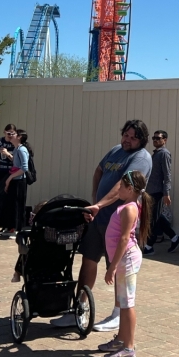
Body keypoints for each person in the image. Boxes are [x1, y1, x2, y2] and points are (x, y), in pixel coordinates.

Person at [53, 120, 152, 333]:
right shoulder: (115, 151)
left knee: (117, 270)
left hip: (117, 222)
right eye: (126, 134)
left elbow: (122, 186)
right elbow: (99, 170)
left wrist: (99, 203)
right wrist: (95, 196)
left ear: (141, 141)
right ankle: (79, 309)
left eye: (133, 137)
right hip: (98, 220)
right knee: (88, 259)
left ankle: (118, 314)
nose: (127, 140)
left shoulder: (141, 158)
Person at [95, 170, 153, 357]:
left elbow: (124, 239)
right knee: (122, 303)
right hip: (122, 260)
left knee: (127, 304)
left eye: (121, 186)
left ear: (130, 189)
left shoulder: (129, 208)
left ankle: (129, 347)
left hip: (126, 259)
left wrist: (111, 266)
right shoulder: (127, 205)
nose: (118, 189)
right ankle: (121, 339)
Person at [144, 129, 179, 255]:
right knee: (156, 218)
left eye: (158, 138)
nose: (155, 140)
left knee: (152, 220)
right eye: (154, 138)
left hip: (157, 192)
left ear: (164, 140)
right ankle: (175, 238)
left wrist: (166, 193)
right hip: (150, 191)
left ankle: (149, 246)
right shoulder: (155, 154)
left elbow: (167, 175)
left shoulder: (164, 154)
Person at [3, 130, 30, 237]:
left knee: (17, 205)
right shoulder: (16, 149)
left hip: (19, 181)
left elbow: (24, 168)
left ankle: (16, 229)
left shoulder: (22, 149)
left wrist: (9, 178)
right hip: (15, 180)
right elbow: (16, 162)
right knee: (11, 205)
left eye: (13, 134)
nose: (10, 136)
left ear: (19, 137)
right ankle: (11, 228)